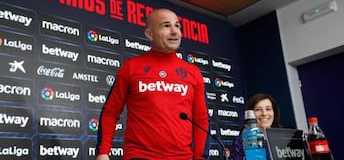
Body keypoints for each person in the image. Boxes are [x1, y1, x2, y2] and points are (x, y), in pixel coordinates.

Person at [96, 8, 209, 160]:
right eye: (166, 26)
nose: (174, 31)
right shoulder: (131, 67)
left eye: (177, 26)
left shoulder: (193, 72)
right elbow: (111, 111)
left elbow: (201, 119)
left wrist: (200, 157)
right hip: (140, 156)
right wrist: (103, 152)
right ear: (150, 34)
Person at [229, 93, 281, 160]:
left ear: (274, 112)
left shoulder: (283, 139)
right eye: (258, 109)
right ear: (250, 114)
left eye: (268, 109)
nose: (264, 113)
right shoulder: (240, 142)